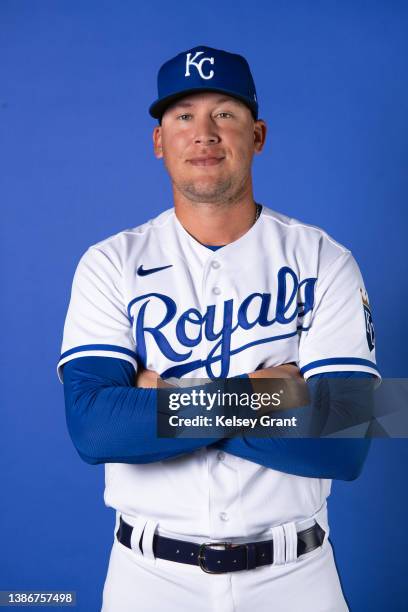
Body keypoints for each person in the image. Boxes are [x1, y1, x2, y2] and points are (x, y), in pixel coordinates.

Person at [58, 46, 380, 611]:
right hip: (148, 579)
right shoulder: (109, 262)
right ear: (160, 141)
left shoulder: (325, 259)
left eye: (224, 114)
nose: (204, 133)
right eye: (183, 116)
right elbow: (94, 430)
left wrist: (169, 403)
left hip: (295, 578)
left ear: (257, 135)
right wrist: (266, 394)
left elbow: (348, 443)